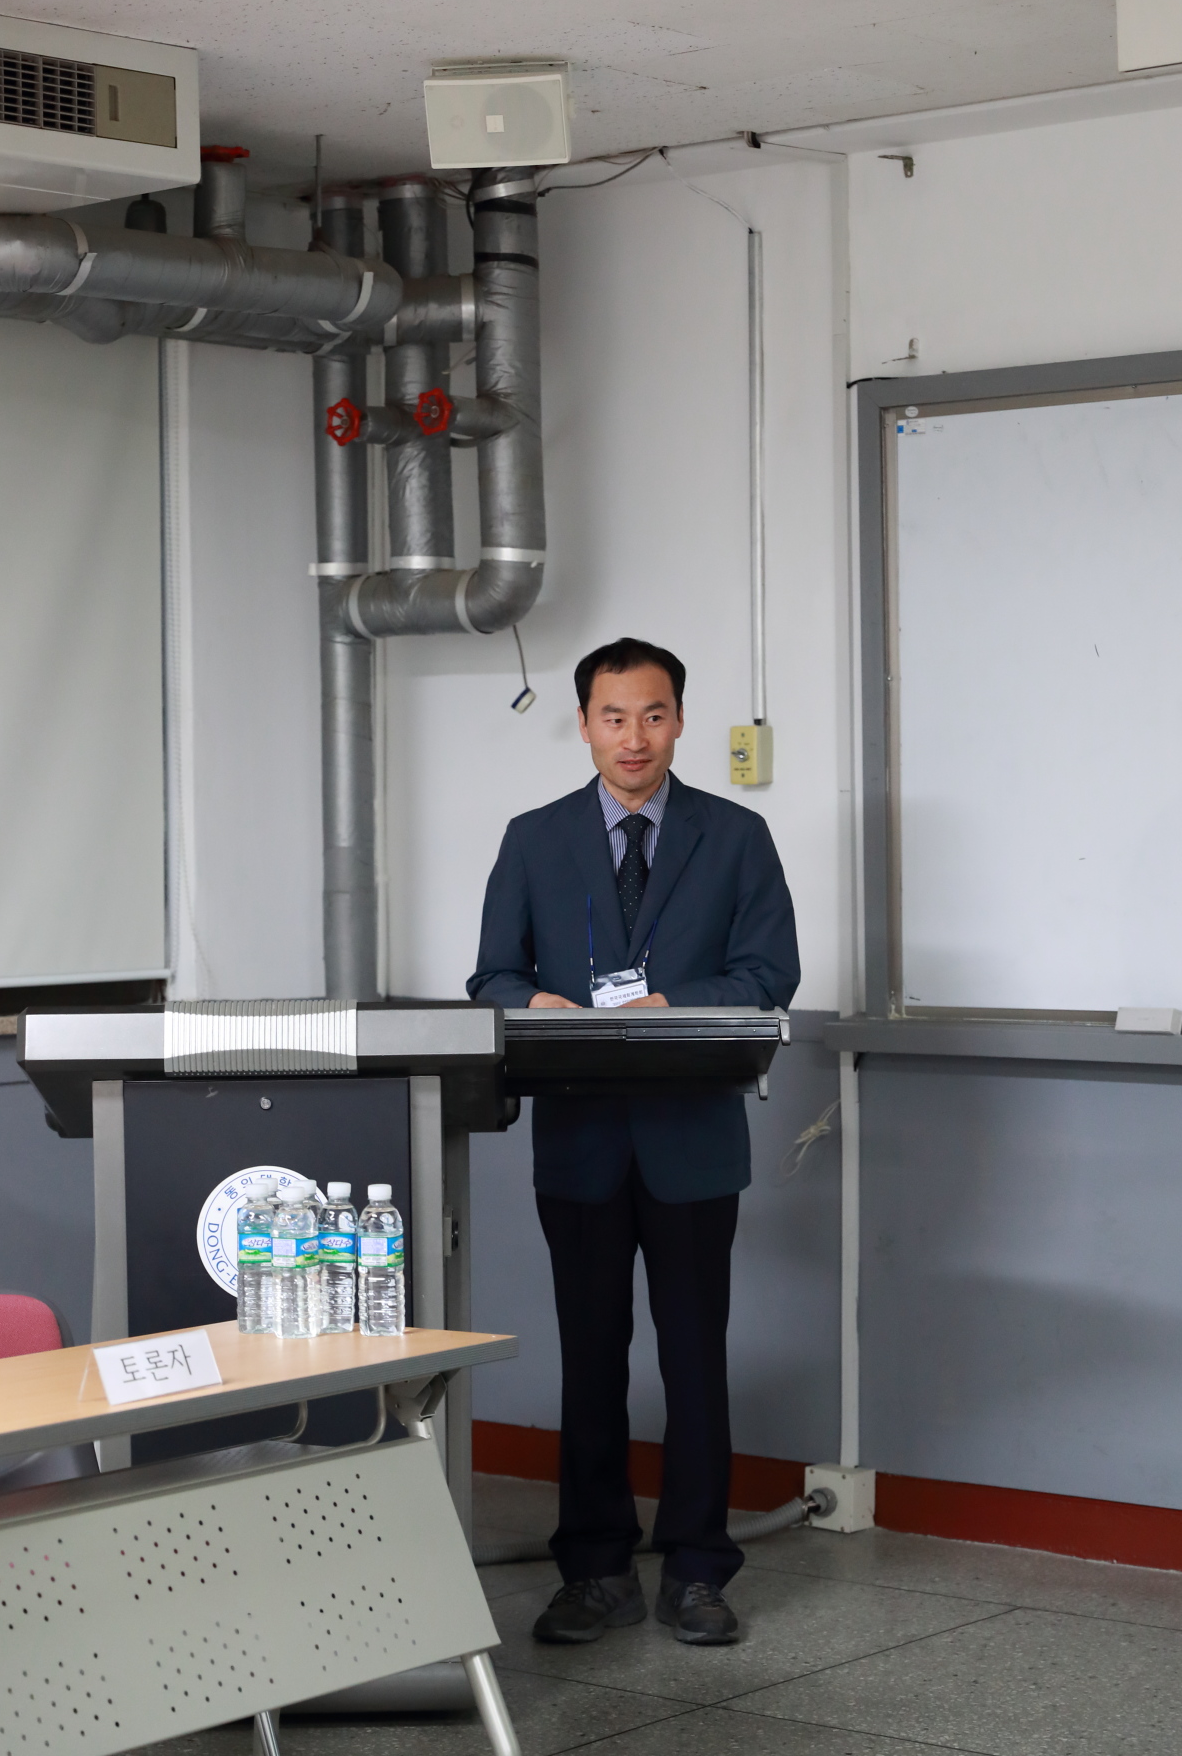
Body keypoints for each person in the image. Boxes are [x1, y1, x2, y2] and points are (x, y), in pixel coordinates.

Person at [468, 636, 800, 1647]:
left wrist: (673, 1004)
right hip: (579, 1138)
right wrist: (533, 1001)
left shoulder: (734, 835)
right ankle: (594, 1568)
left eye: (653, 715)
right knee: (589, 1358)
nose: (634, 736)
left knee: (695, 1357)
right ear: (583, 724)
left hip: (691, 1141)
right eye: (613, 717)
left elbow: (766, 974)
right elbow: (490, 976)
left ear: (680, 720)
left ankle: (697, 1569)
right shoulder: (534, 838)